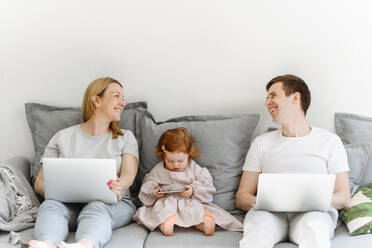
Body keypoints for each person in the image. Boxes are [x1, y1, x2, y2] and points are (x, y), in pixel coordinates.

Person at [236, 74, 351, 248]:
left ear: (295, 98)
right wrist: (273, 201)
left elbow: (343, 198)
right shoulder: (261, 143)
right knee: (257, 232)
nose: (267, 102)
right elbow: (242, 198)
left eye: (273, 95)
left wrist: (308, 200)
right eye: (267, 98)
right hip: (268, 214)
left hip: (313, 214)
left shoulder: (330, 141)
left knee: (315, 232)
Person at [28, 77, 139, 248]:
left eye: (123, 98)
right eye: (117, 96)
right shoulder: (62, 137)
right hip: (68, 206)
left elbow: (129, 174)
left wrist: (120, 184)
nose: (122, 103)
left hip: (113, 204)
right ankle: (46, 243)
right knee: (50, 206)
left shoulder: (125, 137)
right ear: (97, 100)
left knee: (97, 207)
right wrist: (64, 191)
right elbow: (40, 183)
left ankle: (85, 244)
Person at [133, 127, 243, 236]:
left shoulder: (193, 168)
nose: (175, 165)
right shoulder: (159, 169)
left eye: (180, 161)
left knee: (195, 213)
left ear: (188, 154)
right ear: (163, 155)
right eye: (170, 161)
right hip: (166, 202)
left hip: (188, 202)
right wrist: (154, 191)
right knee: (159, 213)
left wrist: (193, 190)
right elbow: (147, 185)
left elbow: (207, 185)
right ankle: (164, 225)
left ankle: (204, 224)